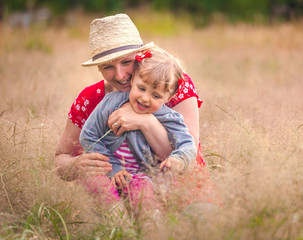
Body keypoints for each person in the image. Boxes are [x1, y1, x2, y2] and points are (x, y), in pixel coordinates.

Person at [54, 13, 204, 183]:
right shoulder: (91, 98)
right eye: (108, 66)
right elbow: (61, 157)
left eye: (126, 62)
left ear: (141, 56)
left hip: (181, 191)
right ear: (99, 69)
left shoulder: (170, 84)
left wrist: (145, 121)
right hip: (118, 192)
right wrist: (75, 165)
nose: (120, 75)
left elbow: (189, 157)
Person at [79, 47, 197, 209]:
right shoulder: (111, 103)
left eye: (156, 96)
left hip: (143, 177)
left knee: (144, 194)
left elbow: (188, 145)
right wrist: (113, 168)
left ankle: (149, 230)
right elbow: (88, 135)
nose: (145, 98)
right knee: (97, 184)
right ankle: (118, 225)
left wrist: (178, 159)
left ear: (169, 97)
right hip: (110, 172)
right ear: (133, 79)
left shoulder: (170, 118)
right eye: (141, 88)